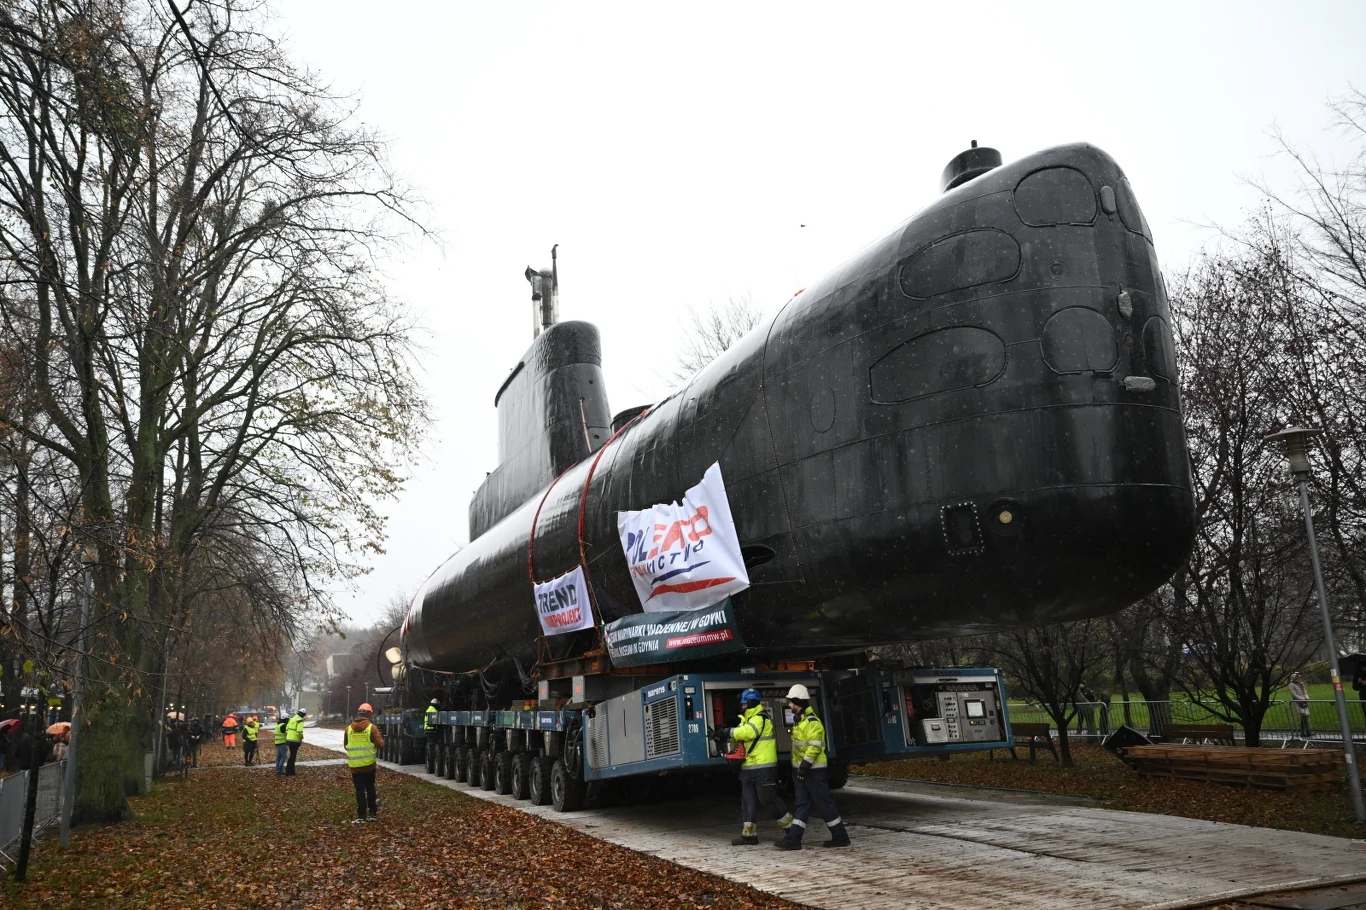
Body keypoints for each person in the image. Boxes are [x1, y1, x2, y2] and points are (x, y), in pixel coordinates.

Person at [775, 685, 850, 849]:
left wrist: (804, 766)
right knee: (802, 804)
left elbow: (815, 747)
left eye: (790, 702)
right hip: (802, 771)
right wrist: (798, 769)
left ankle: (840, 836)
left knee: (824, 804)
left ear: (797, 702)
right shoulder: (801, 721)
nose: (788, 705)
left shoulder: (812, 722)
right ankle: (793, 840)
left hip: (813, 771)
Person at [717, 688, 791, 846]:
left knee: (768, 799)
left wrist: (727, 731)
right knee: (748, 801)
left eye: (744, 704)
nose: (742, 707)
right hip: (749, 767)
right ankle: (749, 835)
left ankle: (792, 830)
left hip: (763, 768)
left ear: (749, 703)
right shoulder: (748, 718)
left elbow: (747, 733)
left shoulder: (759, 718)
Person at [346, 703, 385, 823]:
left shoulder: (348, 729)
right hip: (369, 764)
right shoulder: (372, 728)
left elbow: (346, 746)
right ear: (369, 714)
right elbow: (381, 744)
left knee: (359, 790)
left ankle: (361, 816)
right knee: (370, 787)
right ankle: (372, 813)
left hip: (354, 765)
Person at [1289, 671, 1311, 738]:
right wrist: (1302, 699)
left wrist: (1306, 697)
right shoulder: (1291, 684)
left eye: (1300, 677)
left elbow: (1305, 692)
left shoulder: (1301, 684)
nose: (1299, 678)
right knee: (1303, 716)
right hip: (1297, 702)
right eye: (1297, 677)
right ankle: (1307, 731)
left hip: (1304, 702)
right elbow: (1294, 694)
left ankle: (1304, 731)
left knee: (1305, 716)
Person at [285, 708, 307, 775]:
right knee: (293, 756)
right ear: (303, 714)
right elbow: (299, 732)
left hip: (288, 739)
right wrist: (301, 739)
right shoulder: (300, 720)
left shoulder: (292, 719)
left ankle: (289, 771)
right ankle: (290, 771)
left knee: (291, 756)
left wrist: (289, 736)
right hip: (295, 740)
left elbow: (286, 729)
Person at [1353, 660, 1366, 728]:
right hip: (1363, 695)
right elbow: (1355, 687)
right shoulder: (1358, 674)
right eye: (1362, 667)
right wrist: (1359, 683)